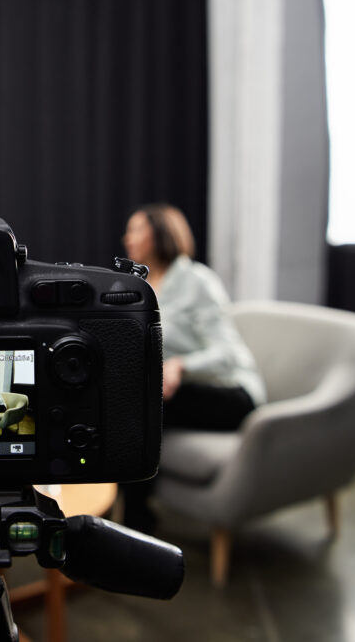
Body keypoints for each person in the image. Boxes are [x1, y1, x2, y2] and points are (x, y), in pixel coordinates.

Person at [120, 203, 266, 532]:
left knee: (138, 411)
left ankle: (136, 521)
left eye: (136, 230)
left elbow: (227, 353)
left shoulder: (197, 280)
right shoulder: (143, 285)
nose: (127, 238)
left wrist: (180, 366)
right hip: (188, 392)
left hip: (232, 391)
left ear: (160, 234)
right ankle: (129, 512)